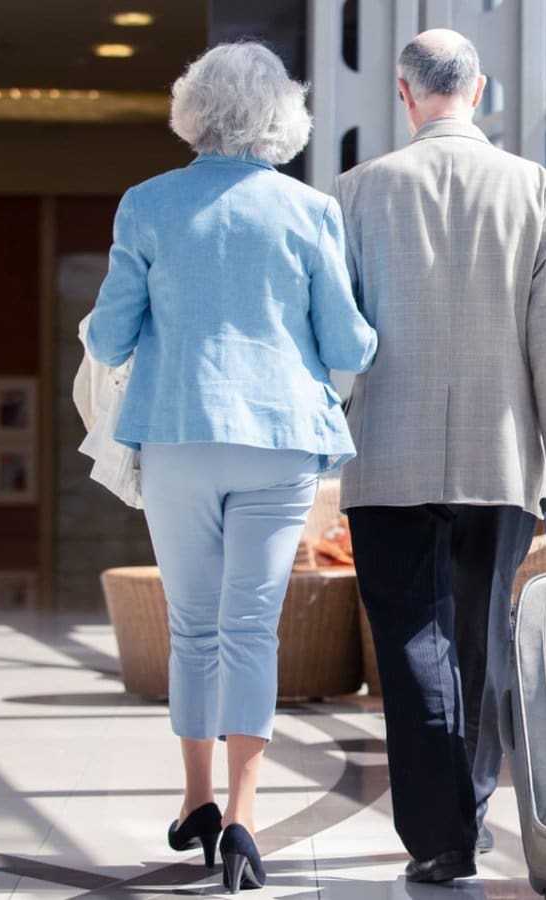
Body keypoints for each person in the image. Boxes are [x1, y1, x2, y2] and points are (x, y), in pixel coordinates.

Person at [85, 41, 376, 894]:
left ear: (193, 110)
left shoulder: (147, 206)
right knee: (252, 627)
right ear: (282, 116)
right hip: (280, 438)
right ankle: (248, 820)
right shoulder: (309, 210)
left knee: (193, 627)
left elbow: (106, 337)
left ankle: (197, 801)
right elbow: (348, 342)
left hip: (177, 432)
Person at [334, 28, 546, 885]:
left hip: (385, 456)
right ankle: (472, 809)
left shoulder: (355, 192)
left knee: (412, 640)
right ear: (479, 91)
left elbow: (336, 340)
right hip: (499, 459)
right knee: (482, 640)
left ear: (405, 96)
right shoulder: (539, 191)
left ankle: (438, 837)